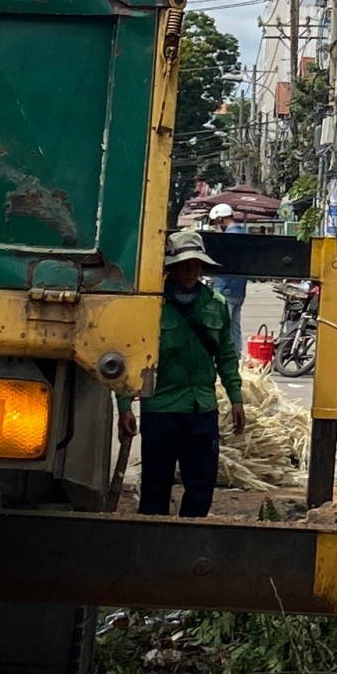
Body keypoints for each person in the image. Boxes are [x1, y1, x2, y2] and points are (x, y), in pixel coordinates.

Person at [117, 227, 245, 516]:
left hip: (202, 410)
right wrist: (124, 407)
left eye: (196, 265)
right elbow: (129, 358)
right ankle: (152, 547)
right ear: (170, 268)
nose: (191, 271)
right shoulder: (150, 307)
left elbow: (226, 357)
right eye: (184, 265)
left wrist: (236, 399)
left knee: (201, 486)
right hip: (161, 409)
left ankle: (189, 543)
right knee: (155, 487)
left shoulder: (216, 305)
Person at [209, 204, 249, 355]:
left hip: (226, 288)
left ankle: (222, 358)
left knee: (221, 327)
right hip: (240, 290)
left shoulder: (228, 238)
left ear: (221, 219)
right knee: (235, 327)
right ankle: (237, 358)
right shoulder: (243, 234)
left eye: (216, 222)